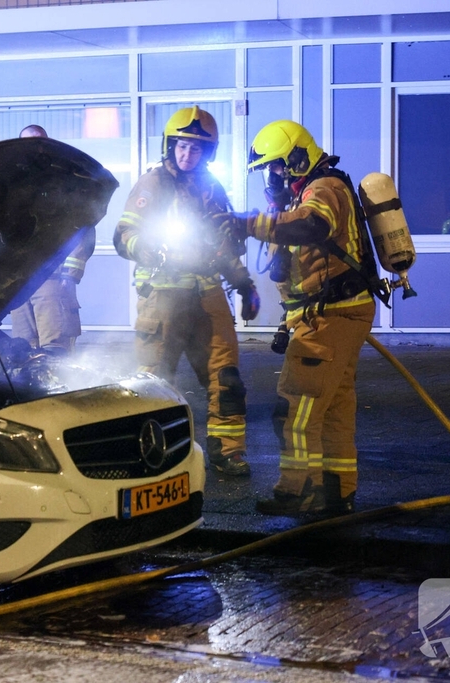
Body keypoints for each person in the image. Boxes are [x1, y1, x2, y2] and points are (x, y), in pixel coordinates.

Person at [114, 105, 260, 478]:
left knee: (226, 378)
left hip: (208, 294)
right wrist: (143, 247)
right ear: (170, 146)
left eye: (195, 148)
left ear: (206, 152)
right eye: (181, 146)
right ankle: (152, 455)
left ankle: (229, 451)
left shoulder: (211, 188)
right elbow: (124, 234)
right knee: (154, 382)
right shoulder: (152, 183)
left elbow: (222, 243)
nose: (187, 154)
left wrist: (244, 284)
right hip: (162, 296)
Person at [243, 119, 380, 516]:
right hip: (335, 313)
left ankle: (298, 491)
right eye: (268, 170)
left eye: (277, 166)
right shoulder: (306, 194)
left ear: (298, 158)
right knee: (333, 408)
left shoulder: (323, 189)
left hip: (327, 318)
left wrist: (250, 223)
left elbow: (311, 225)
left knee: (296, 408)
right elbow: (288, 266)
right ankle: (336, 493)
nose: (273, 176)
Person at [9, 124, 96, 353]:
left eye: (39, 142)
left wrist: (70, 274)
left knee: (55, 349)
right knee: (22, 350)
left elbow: (83, 227)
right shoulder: (12, 184)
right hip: (19, 284)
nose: (34, 148)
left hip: (53, 280)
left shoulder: (65, 181)